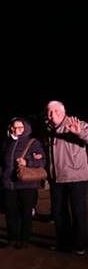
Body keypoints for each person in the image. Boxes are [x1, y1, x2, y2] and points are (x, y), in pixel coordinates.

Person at [45, 100, 88, 255]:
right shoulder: (48, 129)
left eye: (56, 111)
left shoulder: (76, 123)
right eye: (49, 111)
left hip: (76, 176)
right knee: (59, 213)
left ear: (64, 112)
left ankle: (80, 245)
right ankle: (63, 243)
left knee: (78, 212)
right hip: (56, 177)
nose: (52, 114)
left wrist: (79, 133)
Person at [0, 117, 46, 249]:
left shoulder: (33, 142)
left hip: (27, 184)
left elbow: (42, 161)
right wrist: (2, 175)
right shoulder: (6, 142)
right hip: (10, 184)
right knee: (11, 212)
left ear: (26, 128)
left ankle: (24, 239)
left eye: (20, 127)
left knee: (26, 213)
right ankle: (12, 239)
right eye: (14, 127)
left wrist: (28, 162)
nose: (17, 130)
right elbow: (0, 160)